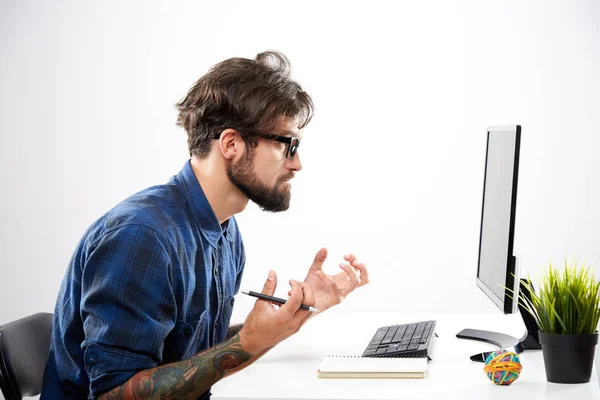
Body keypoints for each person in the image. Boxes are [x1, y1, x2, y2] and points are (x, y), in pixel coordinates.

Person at [41, 50, 369, 400]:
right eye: (288, 144)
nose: (298, 163)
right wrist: (247, 344)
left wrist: (291, 318)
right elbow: (112, 394)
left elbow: (192, 356)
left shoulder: (225, 232)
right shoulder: (140, 236)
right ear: (231, 144)